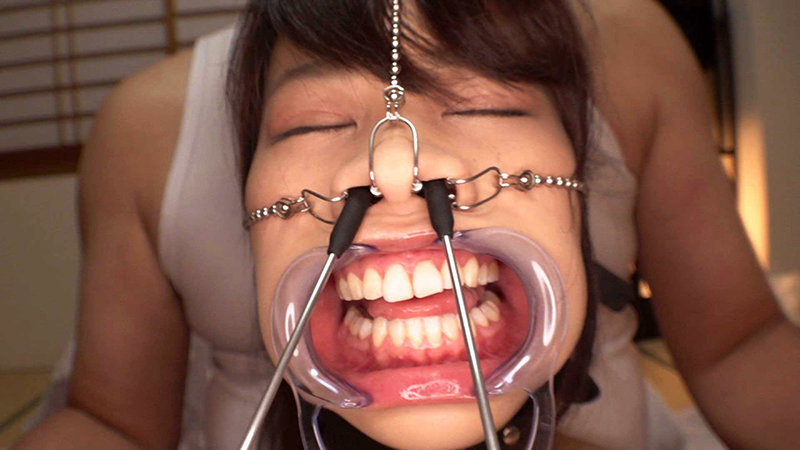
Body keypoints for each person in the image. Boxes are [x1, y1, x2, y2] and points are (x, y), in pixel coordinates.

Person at [18, 0, 800, 449]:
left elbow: (739, 344)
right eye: (314, 123)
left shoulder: (633, 49)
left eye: (488, 105)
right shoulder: (146, 127)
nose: (396, 170)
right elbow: (112, 421)